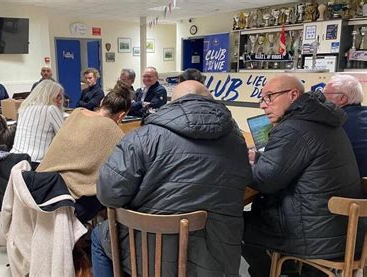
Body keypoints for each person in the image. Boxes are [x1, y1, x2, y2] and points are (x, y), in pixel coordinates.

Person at [92, 80, 253, 276]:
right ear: (210, 102)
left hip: (148, 258)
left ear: (173, 104)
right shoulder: (237, 141)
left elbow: (108, 195)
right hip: (216, 260)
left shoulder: (142, 138)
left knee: (99, 235)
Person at [243, 75, 364, 276]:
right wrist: (258, 156)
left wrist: (234, 164)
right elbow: (302, 157)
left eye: (270, 97)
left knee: (231, 223)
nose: (263, 106)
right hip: (344, 231)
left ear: (293, 95)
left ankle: (278, 271)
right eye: (262, 99)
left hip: (314, 236)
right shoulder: (322, 120)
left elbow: (264, 181)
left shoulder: (293, 128)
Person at [37, 80, 132, 222]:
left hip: (43, 186)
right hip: (70, 200)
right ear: (121, 116)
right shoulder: (112, 129)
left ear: (101, 103)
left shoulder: (76, 113)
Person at [10, 80, 64, 164]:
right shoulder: (51, 109)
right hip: (36, 163)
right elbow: (64, 137)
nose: (60, 101)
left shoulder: (24, 108)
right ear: (48, 95)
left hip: (14, 160)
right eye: (58, 97)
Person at [323, 74, 367, 177]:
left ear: (342, 99)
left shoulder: (335, 122)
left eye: (325, 94)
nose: (321, 99)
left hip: (354, 186)